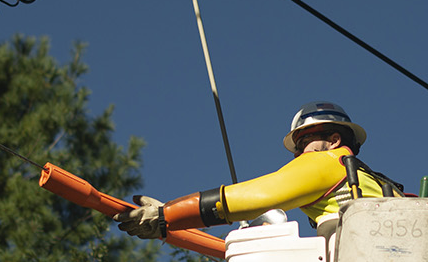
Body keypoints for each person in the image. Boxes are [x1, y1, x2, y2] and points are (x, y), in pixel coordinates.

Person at [116, 102, 403, 239]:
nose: (299, 153)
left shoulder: (328, 163)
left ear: (334, 140)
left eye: (305, 142)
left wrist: (167, 216)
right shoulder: (374, 184)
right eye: (297, 147)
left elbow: (246, 199)